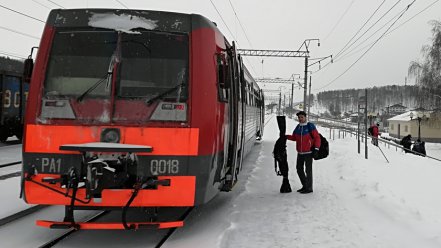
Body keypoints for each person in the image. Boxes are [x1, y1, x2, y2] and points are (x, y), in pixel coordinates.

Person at [285, 111, 321, 194]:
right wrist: (286, 137)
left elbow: (317, 137)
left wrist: (316, 149)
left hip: (308, 153)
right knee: (299, 169)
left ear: (305, 117)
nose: (300, 119)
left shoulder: (310, 126)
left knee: (308, 171)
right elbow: (294, 137)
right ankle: (305, 185)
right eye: (299, 117)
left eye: (302, 117)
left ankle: (309, 188)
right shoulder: (298, 127)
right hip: (300, 153)